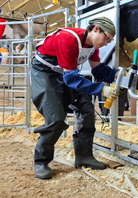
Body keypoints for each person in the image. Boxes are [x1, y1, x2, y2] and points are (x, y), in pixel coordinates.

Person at [31, 17, 119, 180]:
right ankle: (41, 161)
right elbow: (71, 79)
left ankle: (84, 156)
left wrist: (117, 74)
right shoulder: (68, 38)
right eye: (106, 38)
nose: (106, 43)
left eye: (109, 41)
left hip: (65, 73)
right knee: (56, 118)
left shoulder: (92, 47)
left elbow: (98, 70)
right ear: (96, 29)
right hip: (45, 73)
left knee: (86, 109)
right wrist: (101, 88)